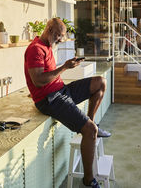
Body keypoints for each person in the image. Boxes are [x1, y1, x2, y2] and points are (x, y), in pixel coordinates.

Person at [24, 18, 111, 188]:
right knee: (91, 130)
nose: (60, 39)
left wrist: (66, 67)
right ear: (48, 29)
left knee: (100, 82)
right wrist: (64, 67)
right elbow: (38, 81)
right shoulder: (35, 49)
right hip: (49, 100)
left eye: (62, 36)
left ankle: (89, 125)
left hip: (61, 91)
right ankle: (88, 180)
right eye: (58, 35)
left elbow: (48, 75)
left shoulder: (47, 46)